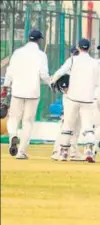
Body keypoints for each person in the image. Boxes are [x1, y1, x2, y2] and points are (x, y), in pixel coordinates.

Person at [1, 29, 50, 159]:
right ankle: (21, 152)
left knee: (13, 118)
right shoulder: (41, 55)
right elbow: (44, 75)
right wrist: (51, 83)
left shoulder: (17, 53)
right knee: (28, 122)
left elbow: (9, 71)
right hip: (33, 92)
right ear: (39, 40)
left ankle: (13, 136)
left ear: (28, 39)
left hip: (17, 91)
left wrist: (5, 87)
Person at [51, 38, 99, 162]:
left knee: (67, 125)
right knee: (88, 126)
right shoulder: (95, 63)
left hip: (72, 98)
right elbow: (98, 81)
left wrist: (52, 82)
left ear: (78, 47)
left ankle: (63, 153)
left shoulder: (72, 60)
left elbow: (60, 72)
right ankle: (89, 150)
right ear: (89, 48)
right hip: (88, 98)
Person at [51, 46, 85, 161]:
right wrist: (54, 83)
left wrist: (53, 83)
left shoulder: (76, 63)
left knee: (75, 126)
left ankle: (73, 152)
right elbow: (59, 75)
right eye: (74, 53)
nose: (75, 54)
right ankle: (58, 151)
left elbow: (58, 75)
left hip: (78, 99)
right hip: (72, 99)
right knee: (67, 126)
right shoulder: (72, 63)